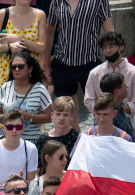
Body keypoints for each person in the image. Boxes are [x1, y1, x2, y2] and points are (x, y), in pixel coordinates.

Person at [46, 0, 113, 130]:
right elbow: (49, 32)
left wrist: (111, 61)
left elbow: (109, 31)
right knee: (66, 111)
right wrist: (45, 63)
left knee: (101, 108)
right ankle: (76, 142)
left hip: (90, 62)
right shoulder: (56, 1)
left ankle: (102, 140)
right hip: (62, 62)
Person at [0, 0, 45, 92]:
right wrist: (9, 47)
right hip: (6, 71)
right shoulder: (3, 14)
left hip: (30, 73)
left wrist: (21, 40)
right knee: (4, 105)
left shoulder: (40, 15)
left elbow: (42, 47)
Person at [83, 32, 135, 118]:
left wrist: (118, 111)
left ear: (121, 47)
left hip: (125, 121)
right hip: (100, 121)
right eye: (105, 47)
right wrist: (104, 111)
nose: (108, 51)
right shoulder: (95, 73)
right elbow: (89, 100)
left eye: (112, 46)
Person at [0, 54, 52, 144]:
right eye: (14, 67)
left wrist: (28, 116)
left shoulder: (40, 90)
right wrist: (7, 118)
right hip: (9, 141)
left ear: (30, 69)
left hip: (33, 141)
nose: (17, 69)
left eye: (21, 66)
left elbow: (48, 117)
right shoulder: (5, 87)